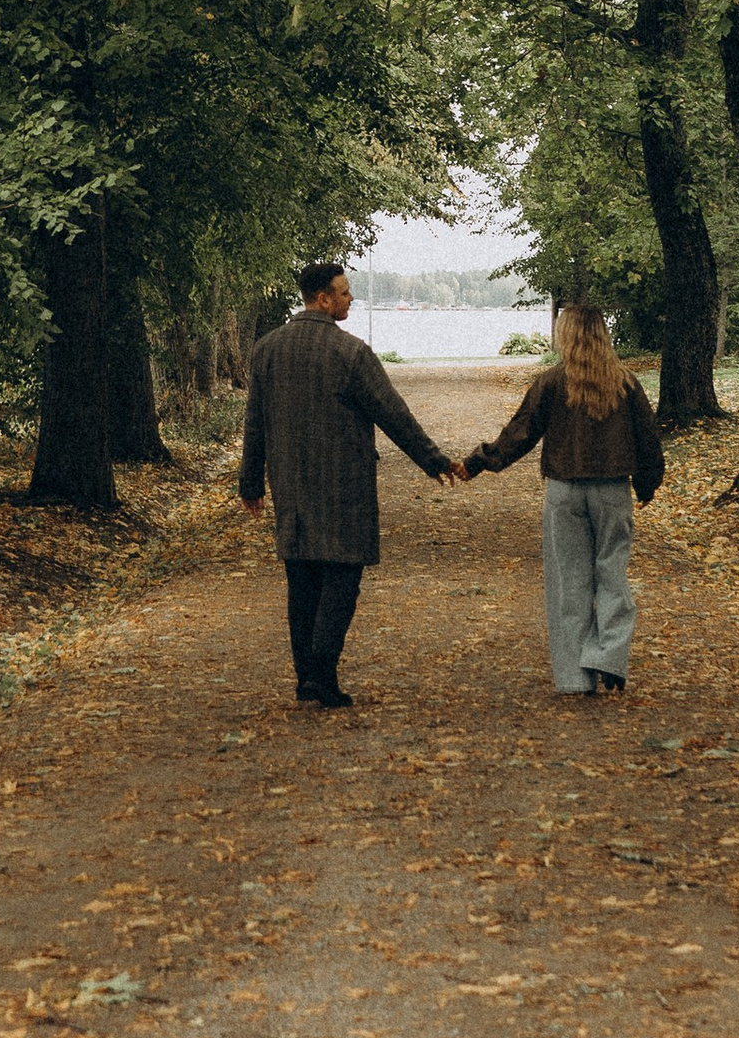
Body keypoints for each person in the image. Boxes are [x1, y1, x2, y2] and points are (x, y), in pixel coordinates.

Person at [239, 261, 466, 709]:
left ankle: (308, 678)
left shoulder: (266, 350)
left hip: (291, 486)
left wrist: (251, 482)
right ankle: (322, 674)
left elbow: (255, 423)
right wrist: (433, 460)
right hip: (344, 485)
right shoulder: (351, 354)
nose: (350, 299)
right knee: (342, 580)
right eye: (343, 293)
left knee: (301, 581)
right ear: (322, 299)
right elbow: (393, 414)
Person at [464, 299, 666, 697]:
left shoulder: (553, 383)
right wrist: (647, 485)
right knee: (612, 576)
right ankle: (608, 657)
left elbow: (520, 432)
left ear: (567, 336)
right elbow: (648, 441)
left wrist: (478, 463)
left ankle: (575, 677)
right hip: (612, 490)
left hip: (565, 492)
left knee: (568, 583)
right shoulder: (625, 382)